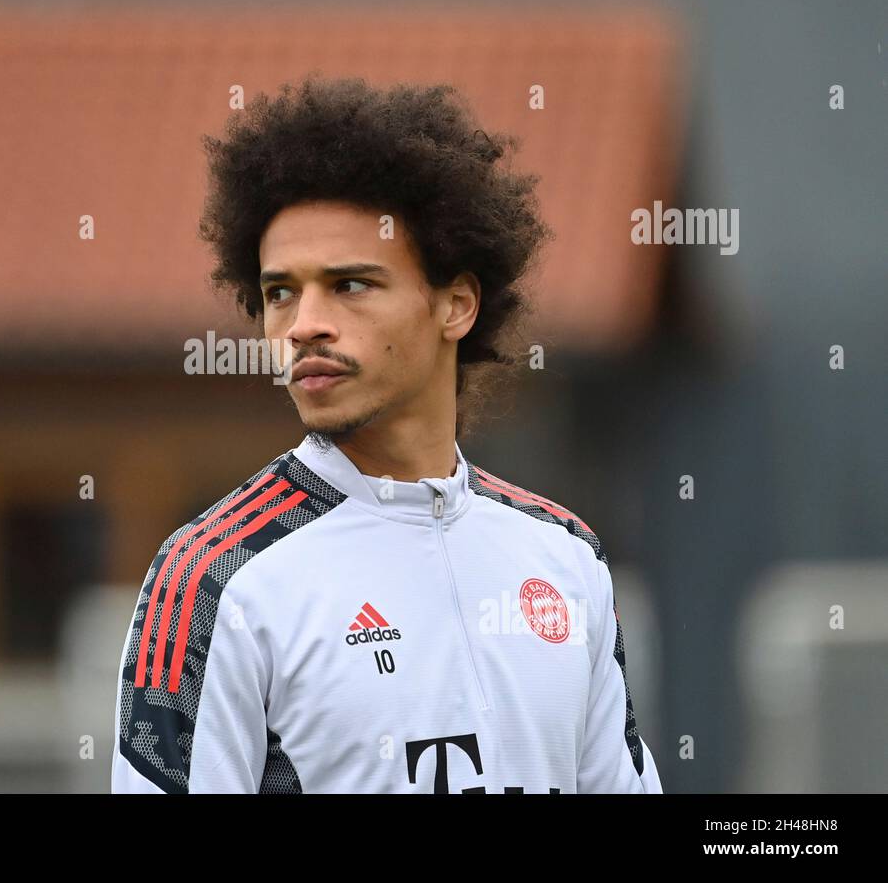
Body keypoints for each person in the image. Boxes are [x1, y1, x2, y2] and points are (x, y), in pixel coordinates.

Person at [111, 75, 662, 793]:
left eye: (349, 284)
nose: (303, 323)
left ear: (456, 305)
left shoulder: (565, 557)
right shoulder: (214, 580)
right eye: (280, 292)